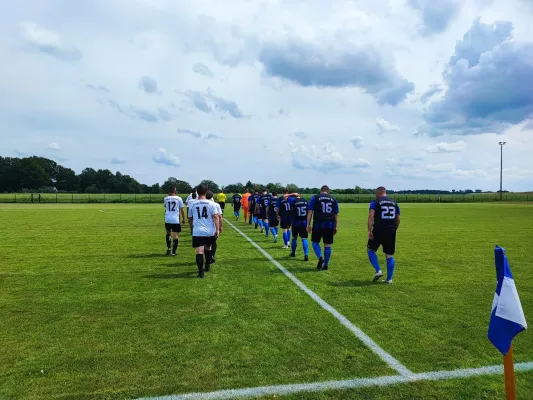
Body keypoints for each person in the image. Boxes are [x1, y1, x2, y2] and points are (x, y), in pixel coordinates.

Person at [367, 186, 400, 284]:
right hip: (391, 231)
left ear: (378, 193)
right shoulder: (394, 203)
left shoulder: (375, 202)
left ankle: (378, 270)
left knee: (370, 249)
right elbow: (398, 219)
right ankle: (389, 279)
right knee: (389, 254)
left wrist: (369, 230)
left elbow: (371, 216)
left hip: (378, 230)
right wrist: (394, 229)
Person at [188, 184, 221, 278]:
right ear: (206, 192)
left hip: (198, 231)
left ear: (197, 192)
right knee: (208, 248)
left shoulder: (193, 204)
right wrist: (217, 229)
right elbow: (215, 216)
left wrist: (192, 226)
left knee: (199, 251)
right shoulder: (212, 204)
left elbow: (190, 218)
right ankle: (207, 266)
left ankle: (200, 272)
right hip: (209, 231)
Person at [307, 185, 339, 271]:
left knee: (315, 243)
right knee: (327, 245)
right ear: (328, 191)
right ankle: (326, 265)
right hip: (329, 225)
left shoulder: (315, 197)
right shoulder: (333, 199)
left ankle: (321, 257)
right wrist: (336, 226)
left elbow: (310, 211)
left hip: (318, 224)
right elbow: (336, 214)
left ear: (320, 191)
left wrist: (308, 224)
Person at [163, 187, 185, 256]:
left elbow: (165, 207)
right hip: (175, 219)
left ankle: (169, 247)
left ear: (169, 192)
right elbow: (182, 210)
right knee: (175, 236)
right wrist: (184, 219)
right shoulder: (179, 198)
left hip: (167, 219)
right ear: (175, 192)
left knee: (168, 233)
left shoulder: (166, 198)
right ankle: (173, 252)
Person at [289, 194, 309, 261]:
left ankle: (293, 253)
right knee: (304, 238)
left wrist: (291, 194)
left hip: (295, 222)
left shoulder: (294, 201)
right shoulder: (306, 201)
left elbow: (285, 196)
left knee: (294, 237)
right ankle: (306, 254)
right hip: (304, 222)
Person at [206, 191, 223, 264]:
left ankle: (208, 256)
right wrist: (220, 226)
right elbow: (219, 216)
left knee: (204, 243)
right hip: (213, 225)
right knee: (213, 241)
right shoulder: (216, 204)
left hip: (204, 225)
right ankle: (212, 255)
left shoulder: (201, 204)